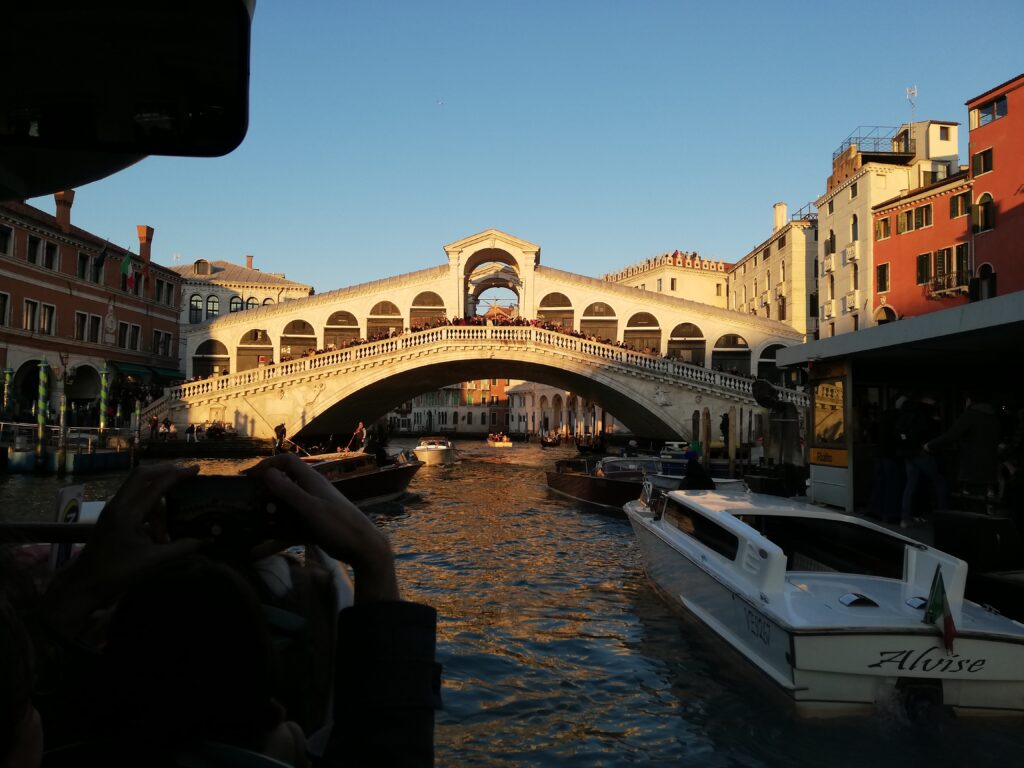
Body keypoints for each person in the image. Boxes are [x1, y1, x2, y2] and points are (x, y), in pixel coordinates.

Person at [31, 457, 440, 766]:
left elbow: (25, 698)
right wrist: (375, 559)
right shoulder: (293, 740)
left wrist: (79, 587)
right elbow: (389, 742)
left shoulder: (56, 741)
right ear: (279, 716)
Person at [925, 390, 1002, 501]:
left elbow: (952, 435)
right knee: (983, 497)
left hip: (972, 464)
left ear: (969, 400)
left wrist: (930, 445)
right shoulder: (993, 416)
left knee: (972, 499)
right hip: (990, 465)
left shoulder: (970, 415)